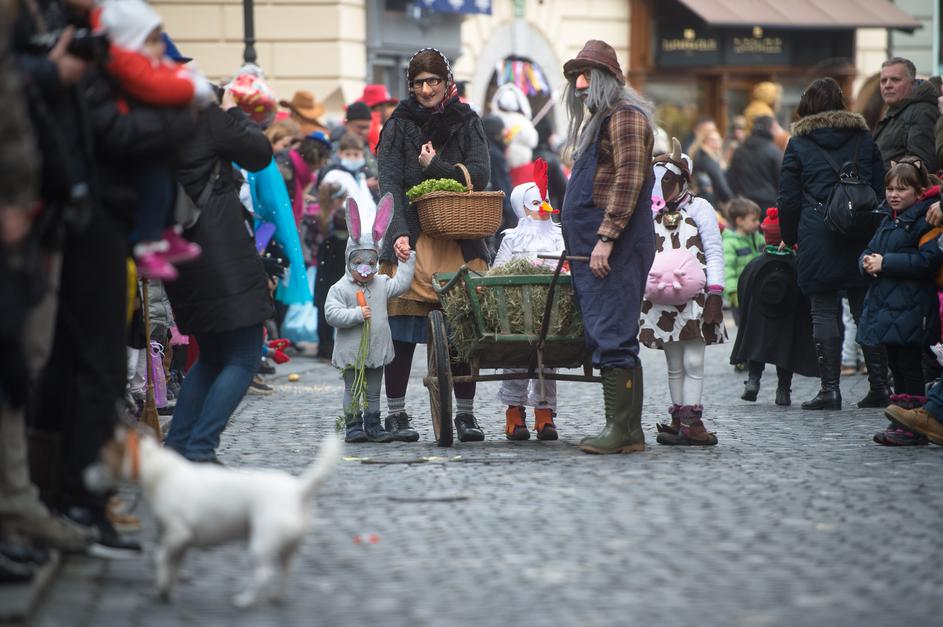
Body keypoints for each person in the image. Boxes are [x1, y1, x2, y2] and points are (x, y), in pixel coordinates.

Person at [376, 47, 491, 443]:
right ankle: (396, 414)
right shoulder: (398, 125)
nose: (426, 90)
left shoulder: (467, 121)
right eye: (418, 83)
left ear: (447, 82)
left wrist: (435, 167)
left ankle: (466, 416)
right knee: (402, 333)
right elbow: (390, 184)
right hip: (413, 242)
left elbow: (480, 174)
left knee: (462, 334)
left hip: (460, 242)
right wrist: (397, 233)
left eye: (433, 82)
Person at [162, 86, 275, 463]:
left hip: (181, 252)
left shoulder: (156, 118)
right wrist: (233, 112)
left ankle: (178, 450)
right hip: (221, 250)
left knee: (211, 356)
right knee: (243, 354)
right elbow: (258, 153)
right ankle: (200, 449)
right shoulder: (204, 114)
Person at [558, 40, 656, 455]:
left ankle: (620, 429)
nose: (579, 86)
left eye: (586, 76)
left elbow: (629, 179)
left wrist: (606, 238)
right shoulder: (602, 121)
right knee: (610, 333)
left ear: (606, 79)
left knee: (613, 334)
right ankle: (629, 431)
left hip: (614, 247)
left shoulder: (625, 116)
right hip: (596, 247)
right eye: (575, 77)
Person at [778, 77, 886, 411]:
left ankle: (830, 390)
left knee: (823, 309)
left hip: (817, 233)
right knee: (864, 308)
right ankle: (880, 386)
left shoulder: (799, 143)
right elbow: (880, 188)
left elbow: (788, 198)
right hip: (861, 231)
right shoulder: (863, 138)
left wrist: (791, 237)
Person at [96, 0, 210, 281]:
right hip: (138, 153)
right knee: (155, 189)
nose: (160, 49)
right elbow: (159, 87)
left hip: (152, 146)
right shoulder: (127, 62)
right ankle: (150, 241)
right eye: (154, 41)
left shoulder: (139, 62)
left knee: (164, 188)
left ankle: (165, 234)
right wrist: (191, 88)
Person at [639, 140, 726, 446]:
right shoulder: (649, 212)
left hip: (695, 300)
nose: (661, 188)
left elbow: (714, 251)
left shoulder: (700, 208)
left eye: (667, 181)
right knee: (674, 363)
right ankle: (679, 418)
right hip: (661, 299)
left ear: (682, 180)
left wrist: (715, 294)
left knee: (693, 362)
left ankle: (693, 420)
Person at [858, 160, 942, 445]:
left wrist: (886, 263)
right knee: (894, 363)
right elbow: (870, 249)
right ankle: (900, 418)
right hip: (888, 305)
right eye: (890, 189)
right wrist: (866, 262)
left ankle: (914, 422)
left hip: (912, 306)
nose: (894, 194)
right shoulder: (889, 219)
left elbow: (928, 261)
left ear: (918, 193)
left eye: (902, 189)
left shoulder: (925, 221)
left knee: (909, 365)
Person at [324, 195, 415, 443]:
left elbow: (401, 284)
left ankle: (373, 423)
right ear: (349, 261)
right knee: (353, 389)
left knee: (374, 391)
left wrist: (406, 261)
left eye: (371, 263)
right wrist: (355, 314)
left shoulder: (381, 284)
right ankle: (353, 425)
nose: (365, 270)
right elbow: (331, 313)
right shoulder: (340, 288)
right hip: (352, 351)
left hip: (375, 348)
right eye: (358, 263)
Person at [494, 163, 565, 441]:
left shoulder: (559, 237)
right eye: (535, 204)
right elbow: (498, 272)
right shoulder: (512, 239)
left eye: (545, 201)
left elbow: (568, 266)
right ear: (521, 208)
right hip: (516, 312)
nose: (543, 208)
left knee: (549, 362)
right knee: (516, 358)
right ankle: (514, 411)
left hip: (554, 311)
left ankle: (545, 413)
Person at [730, 208, 817, 405]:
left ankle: (753, 381)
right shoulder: (797, 265)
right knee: (787, 348)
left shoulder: (753, 266)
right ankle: (783, 391)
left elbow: (743, 291)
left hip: (758, 318)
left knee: (755, 342)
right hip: (788, 320)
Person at [873, 57, 940, 172]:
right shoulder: (895, 112)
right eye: (883, 81)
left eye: (895, 80)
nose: (887, 85)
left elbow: (921, 165)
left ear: (912, 83)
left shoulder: (921, 112)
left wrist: (890, 179)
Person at [727, 115, 782, 217]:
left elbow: (731, 179)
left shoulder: (739, 150)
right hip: (769, 207)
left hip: (744, 206)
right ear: (771, 128)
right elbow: (782, 181)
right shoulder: (774, 151)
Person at [722, 197, 764, 324]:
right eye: (754, 220)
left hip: (758, 293)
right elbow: (728, 270)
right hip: (740, 296)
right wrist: (733, 293)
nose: (758, 223)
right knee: (744, 328)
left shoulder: (759, 238)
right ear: (739, 221)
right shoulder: (730, 243)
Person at [690, 127, 732, 206]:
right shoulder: (705, 158)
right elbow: (719, 180)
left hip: (707, 199)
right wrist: (730, 199)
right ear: (704, 141)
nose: (716, 142)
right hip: (708, 200)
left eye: (718, 139)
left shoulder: (713, 156)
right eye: (712, 139)